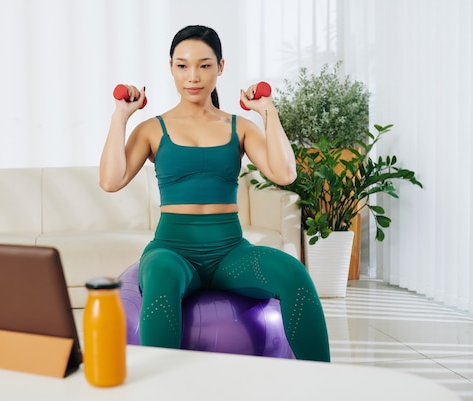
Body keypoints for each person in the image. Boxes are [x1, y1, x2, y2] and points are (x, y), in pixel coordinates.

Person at [100, 25, 330, 362]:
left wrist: (268, 110)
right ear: (171, 68)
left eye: (204, 65)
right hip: (172, 250)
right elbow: (110, 180)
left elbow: (285, 173)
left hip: (229, 252)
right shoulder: (152, 128)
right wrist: (121, 116)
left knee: (294, 274)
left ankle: (325, 383)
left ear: (221, 67)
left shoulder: (239, 127)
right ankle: (158, 400)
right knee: (161, 277)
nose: (193, 76)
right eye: (182, 65)